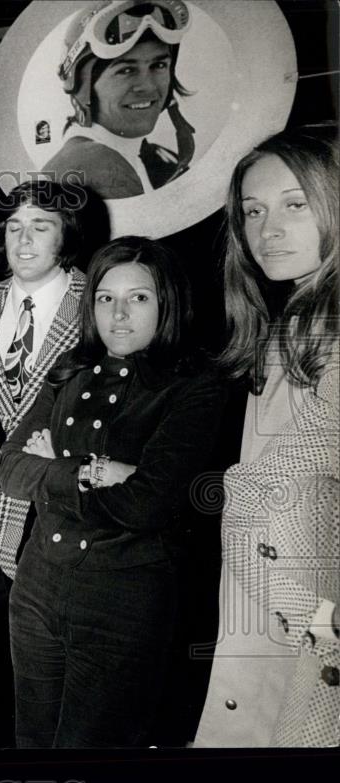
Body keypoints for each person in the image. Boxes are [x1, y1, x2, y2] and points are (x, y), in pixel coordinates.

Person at [0, 236, 227, 747]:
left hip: (122, 605)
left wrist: (54, 463)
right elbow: (11, 470)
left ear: (167, 303)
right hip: (36, 591)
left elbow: (147, 503)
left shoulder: (193, 387)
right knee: (30, 745)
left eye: (138, 298)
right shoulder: (69, 371)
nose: (118, 314)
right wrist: (97, 470)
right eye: (105, 297)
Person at [194, 128, 339, 747]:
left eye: (294, 204)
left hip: (308, 626)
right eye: (253, 211)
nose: (267, 229)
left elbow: (262, 487)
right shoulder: (297, 322)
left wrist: (306, 613)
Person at [0, 180, 89, 745]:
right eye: (14, 227)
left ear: (67, 237)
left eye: (41, 227)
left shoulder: (97, 298)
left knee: (40, 660)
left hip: (51, 503)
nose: (25, 240)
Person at [44, 0, 195, 199]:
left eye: (158, 66)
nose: (148, 86)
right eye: (126, 70)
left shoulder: (150, 158)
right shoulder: (102, 171)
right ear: (82, 84)